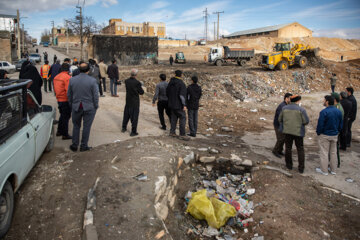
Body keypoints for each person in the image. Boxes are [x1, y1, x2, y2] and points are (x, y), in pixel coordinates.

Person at [67, 62, 99, 152]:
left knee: (76, 126)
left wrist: (71, 104)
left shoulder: (72, 80)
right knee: (86, 127)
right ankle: (83, 145)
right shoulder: (92, 81)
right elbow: (95, 96)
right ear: (88, 70)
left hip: (76, 106)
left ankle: (74, 144)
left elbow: (69, 94)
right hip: (89, 107)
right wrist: (96, 106)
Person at [278, 95, 309, 173]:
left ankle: (289, 165)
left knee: (288, 148)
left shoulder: (284, 108)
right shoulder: (301, 110)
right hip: (298, 132)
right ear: (298, 101)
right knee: (300, 149)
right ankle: (301, 168)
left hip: (287, 131)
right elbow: (306, 121)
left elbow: (279, 119)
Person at [315, 95, 343, 175]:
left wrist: (318, 132)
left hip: (325, 135)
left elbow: (320, 124)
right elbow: (341, 124)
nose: (323, 101)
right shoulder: (338, 111)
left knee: (324, 152)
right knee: (333, 152)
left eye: (324, 100)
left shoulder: (324, 112)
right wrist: (337, 131)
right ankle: (333, 170)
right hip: (334, 134)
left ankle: (324, 170)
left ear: (327, 102)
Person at [166, 70, 189, 141]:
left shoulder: (170, 82)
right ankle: (182, 134)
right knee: (182, 118)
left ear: (175, 74)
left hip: (171, 104)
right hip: (178, 105)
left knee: (173, 118)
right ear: (181, 75)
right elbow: (182, 96)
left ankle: (172, 132)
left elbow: (167, 92)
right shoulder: (181, 84)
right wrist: (184, 104)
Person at [121, 69, 144, 136]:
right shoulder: (137, 83)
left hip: (128, 100)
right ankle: (133, 131)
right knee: (134, 117)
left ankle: (124, 128)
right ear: (136, 75)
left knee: (126, 115)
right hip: (135, 101)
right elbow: (141, 92)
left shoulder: (126, 81)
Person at [53, 63, 72, 140]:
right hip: (65, 99)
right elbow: (69, 91)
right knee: (66, 117)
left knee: (62, 115)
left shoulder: (56, 77)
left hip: (59, 99)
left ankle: (59, 131)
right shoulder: (67, 78)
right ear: (68, 69)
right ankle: (65, 134)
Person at [272, 93, 292, 158]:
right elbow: (280, 118)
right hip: (278, 125)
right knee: (280, 139)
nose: (291, 100)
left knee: (283, 138)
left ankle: (280, 150)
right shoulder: (282, 106)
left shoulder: (286, 105)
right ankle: (275, 150)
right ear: (286, 98)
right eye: (290, 98)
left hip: (283, 125)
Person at [331, 92, 344, 167]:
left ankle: (336, 163)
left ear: (334, 99)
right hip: (335, 130)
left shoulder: (337, 108)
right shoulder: (337, 106)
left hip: (334, 131)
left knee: (334, 149)